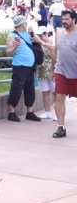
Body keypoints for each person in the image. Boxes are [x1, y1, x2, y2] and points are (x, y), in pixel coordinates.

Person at [5, 15, 43, 122]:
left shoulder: (27, 34)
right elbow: (8, 52)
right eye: (26, 23)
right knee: (16, 88)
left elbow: (38, 41)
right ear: (21, 25)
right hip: (20, 66)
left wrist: (32, 33)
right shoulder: (11, 36)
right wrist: (15, 47)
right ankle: (11, 112)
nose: (27, 25)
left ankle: (29, 112)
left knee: (30, 90)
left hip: (30, 67)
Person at [51, 8, 77, 138]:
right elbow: (55, 52)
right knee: (59, 97)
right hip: (61, 71)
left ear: (74, 19)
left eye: (67, 19)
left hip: (76, 74)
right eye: (63, 19)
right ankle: (61, 127)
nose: (64, 21)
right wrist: (52, 70)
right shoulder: (59, 33)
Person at [35, 26, 55, 119]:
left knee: (57, 93)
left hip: (52, 71)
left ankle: (58, 113)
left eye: (41, 35)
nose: (40, 37)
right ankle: (47, 112)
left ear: (46, 34)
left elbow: (55, 51)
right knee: (45, 92)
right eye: (38, 35)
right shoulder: (38, 44)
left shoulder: (53, 42)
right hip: (42, 71)